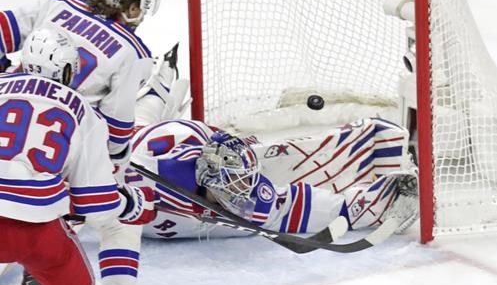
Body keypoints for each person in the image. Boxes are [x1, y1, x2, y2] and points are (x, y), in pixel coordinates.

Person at [0, 27, 178, 285]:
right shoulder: (83, 112)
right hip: (40, 231)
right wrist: (133, 203)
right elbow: (95, 204)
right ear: (67, 72)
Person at [2, 0, 170, 285]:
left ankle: (37, 284)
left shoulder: (56, 2)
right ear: (128, 5)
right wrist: (115, 173)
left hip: (12, 131)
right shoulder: (133, 51)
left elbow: (1, 27)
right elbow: (116, 126)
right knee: (118, 219)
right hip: (68, 144)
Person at [125, 117, 419, 242]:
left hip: (194, 144)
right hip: (143, 144)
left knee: (262, 203)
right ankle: (161, 86)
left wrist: (352, 211)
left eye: (246, 182)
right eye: (236, 184)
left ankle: (364, 145)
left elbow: (286, 205)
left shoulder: (241, 188)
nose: (245, 191)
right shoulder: (149, 180)